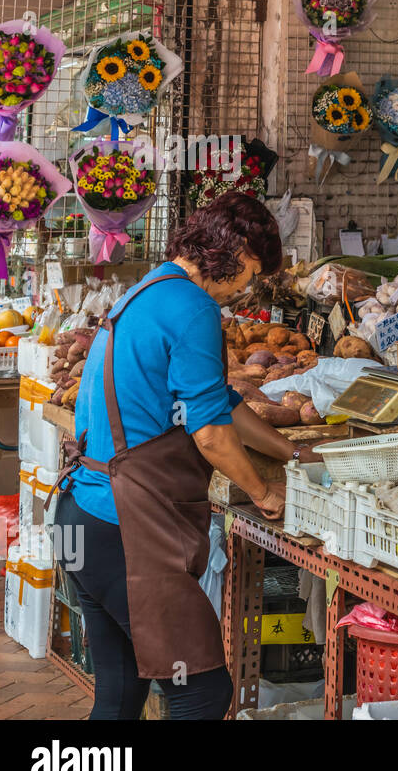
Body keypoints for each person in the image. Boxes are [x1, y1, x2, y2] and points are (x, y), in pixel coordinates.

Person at [54, 193, 321, 720]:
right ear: (235, 251)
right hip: (124, 529)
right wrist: (266, 492)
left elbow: (218, 401)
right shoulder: (194, 308)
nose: (246, 286)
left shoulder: (153, 288)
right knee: (200, 692)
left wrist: (290, 450)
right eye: (250, 271)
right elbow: (212, 436)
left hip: (79, 523)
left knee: (122, 691)